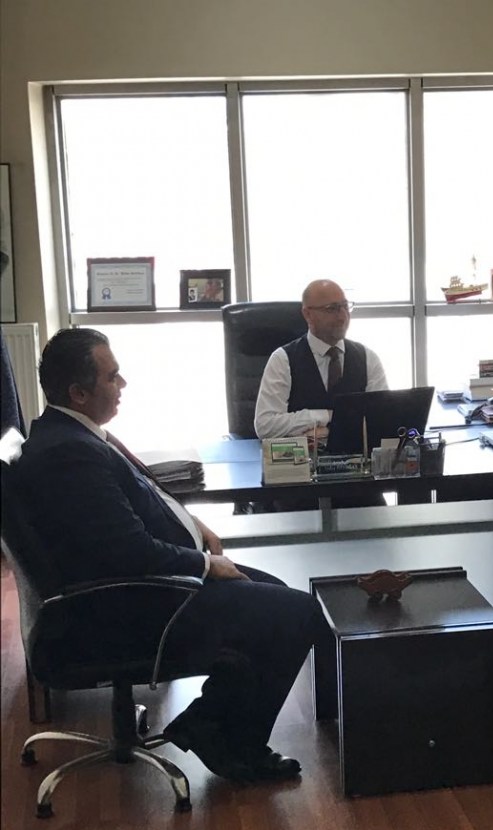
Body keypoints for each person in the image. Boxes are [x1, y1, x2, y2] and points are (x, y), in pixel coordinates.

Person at [14, 328, 329, 783]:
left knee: (273, 595)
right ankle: (229, 741)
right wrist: (204, 564)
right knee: (298, 613)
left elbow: (129, 513)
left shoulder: (67, 434)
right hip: (132, 606)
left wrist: (193, 526)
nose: (122, 384)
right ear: (78, 393)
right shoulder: (70, 455)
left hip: (140, 588)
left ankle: (214, 726)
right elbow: (128, 551)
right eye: (112, 377)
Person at [254, 278, 388, 441]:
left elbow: (381, 418)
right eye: (332, 309)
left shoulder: (367, 358)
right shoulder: (283, 360)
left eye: (345, 306)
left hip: (357, 455)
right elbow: (265, 425)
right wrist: (325, 416)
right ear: (308, 314)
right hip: (302, 456)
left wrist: (325, 431)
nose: (343, 317)